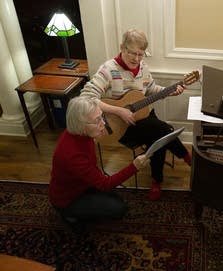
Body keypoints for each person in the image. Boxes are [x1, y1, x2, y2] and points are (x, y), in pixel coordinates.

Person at [80, 28, 192, 201]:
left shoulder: (143, 68)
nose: (137, 59)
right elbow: (86, 98)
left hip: (144, 118)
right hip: (120, 126)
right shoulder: (108, 69)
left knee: (158, 134)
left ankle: (157, 179)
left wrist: (172, 91)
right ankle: (187, 159)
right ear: (122, 47)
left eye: (141, 54)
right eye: (132, 53)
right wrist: (118, 110)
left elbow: (151, 89)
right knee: (162, 130)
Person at [49, 96, 149, 228]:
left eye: (102, 117)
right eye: (97, 121)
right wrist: (134, 166)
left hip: (83, 185)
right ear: (81, 125)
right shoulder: (73, 155)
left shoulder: (80, 134)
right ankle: (68, 214)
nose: (103, 123)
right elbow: (104, 184)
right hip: (68, 199)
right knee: (118, 210)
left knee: (117, 200)